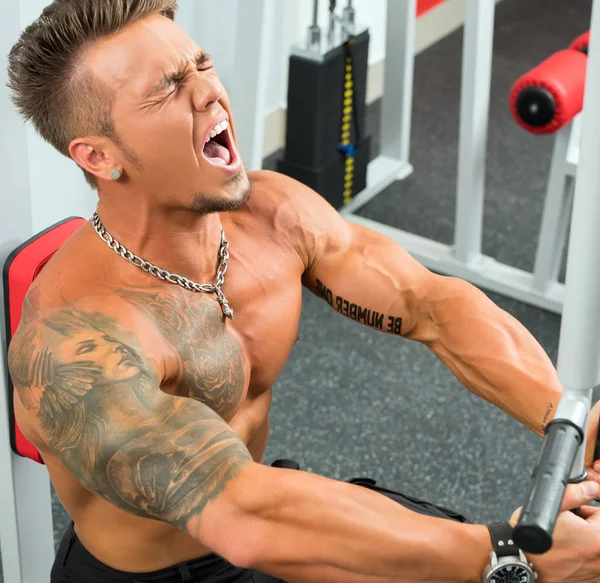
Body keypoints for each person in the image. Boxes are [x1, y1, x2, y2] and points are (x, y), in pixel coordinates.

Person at [6, 1, 600, 582]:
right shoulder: (74, 343)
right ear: (99, 156)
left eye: (201, 64)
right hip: (175, 563)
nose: (209, 92)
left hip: (274, 518)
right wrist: (499, 556)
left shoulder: (270, 213)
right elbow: (239, 510)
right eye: (166, 88)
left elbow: (431, 306)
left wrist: (573, 424)